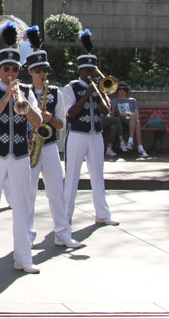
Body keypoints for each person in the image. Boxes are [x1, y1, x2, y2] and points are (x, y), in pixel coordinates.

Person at [0, 21, 43, 275]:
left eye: (14, 68)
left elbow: (37, 122)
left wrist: (22, 99)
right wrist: (6, 98)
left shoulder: (26, 91)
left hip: (20, 155)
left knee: (23, 206)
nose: (11, 73)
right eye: (6, 69)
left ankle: (23, 257)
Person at [22, 26, 81, 249]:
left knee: (56, 190)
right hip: (29, 147)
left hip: (49, 146)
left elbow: (61, 123)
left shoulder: (54, 92)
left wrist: (48, 119)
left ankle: (62, 233)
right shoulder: (24, 92)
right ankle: (26, 234)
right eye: (38, 70)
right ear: (30, 72)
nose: (42, 74)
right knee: (28, 193)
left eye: (45, 70)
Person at [61, 29, 118, 230]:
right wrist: (87, 93)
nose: (91, 74)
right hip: (77, 135)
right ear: (80, 71)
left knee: (97, 175)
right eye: (87, 71)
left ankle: (102, 214)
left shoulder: (98, 87)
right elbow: (71, 113)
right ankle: (65, 216)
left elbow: (106, 111)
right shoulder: (71, 88)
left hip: (96, 134)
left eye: (92, 71)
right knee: (72, 176)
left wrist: (101, 93)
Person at [112, 84, 147, 157]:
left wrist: (129, 114)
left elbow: (137, 115)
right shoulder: (114, 101)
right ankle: (139, 147)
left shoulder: (132, 100)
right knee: (136, 121)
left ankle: (133, 143)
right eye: (120, 90)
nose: (122, 92)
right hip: (121, 120)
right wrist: (121, 113)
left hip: (131, 119)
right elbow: (113, 115)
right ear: (117, 91)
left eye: (124, 90)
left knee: (136, 120)